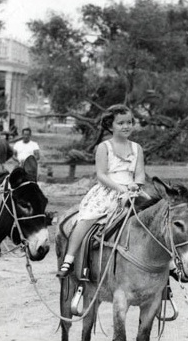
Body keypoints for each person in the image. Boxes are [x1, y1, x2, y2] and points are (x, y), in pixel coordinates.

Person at [57, 104, 145, 278]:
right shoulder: (104, 147)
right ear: (110, 125)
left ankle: (169, 261)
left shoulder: (137, 148)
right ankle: (69, 258)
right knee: (87, 218)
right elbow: (102, 175)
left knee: (155, 215)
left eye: (129, 122)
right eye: (121, 123)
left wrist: (136, 185)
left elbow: (140, 173)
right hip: (109, 189)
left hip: (132, 190)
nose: (126, 126)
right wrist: (121, 189)